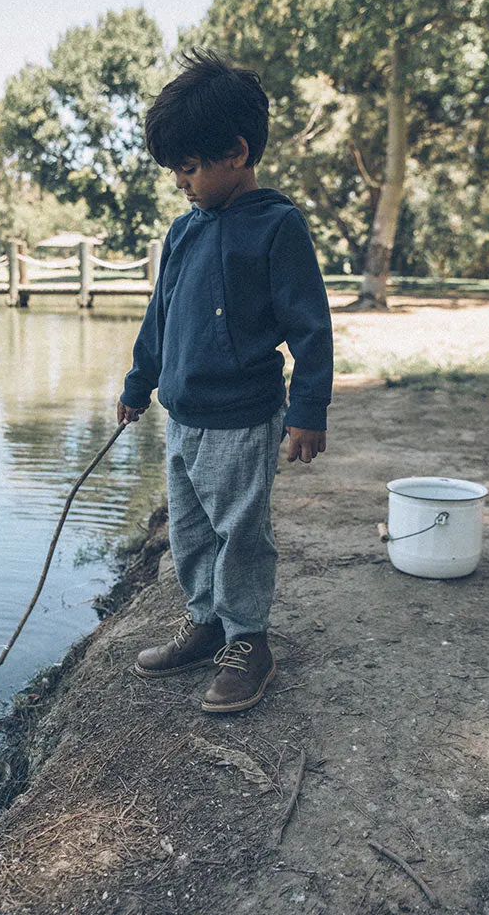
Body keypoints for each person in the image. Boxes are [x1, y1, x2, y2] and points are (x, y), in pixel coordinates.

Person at [117, 49, 333, 713]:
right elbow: (160, 317)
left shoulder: (277, 226)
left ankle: (248, 640)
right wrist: (136, 383)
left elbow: (309, 326)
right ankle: (206, 621)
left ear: (235, 152)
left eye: (187, 168)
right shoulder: (183, 232)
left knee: (240, 534)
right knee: (188, 532)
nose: (180, 183)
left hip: (241, 417)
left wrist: (307, 411)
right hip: (182, 417)